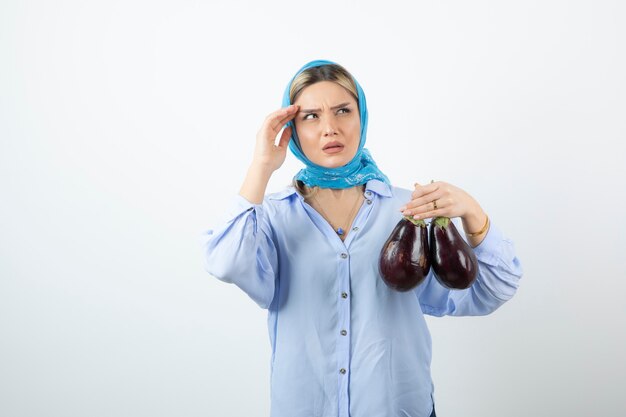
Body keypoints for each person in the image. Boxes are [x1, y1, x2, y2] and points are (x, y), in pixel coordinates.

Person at [202, 59, 523, 417]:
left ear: (362, 117)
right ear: (291, 128)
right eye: (311, 116)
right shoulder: (271, 215)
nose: (330, 129)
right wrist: (261, 165)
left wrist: (473, 212)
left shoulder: (412, 211)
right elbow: (225, 262)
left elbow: (493, 290)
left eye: (343, 111)